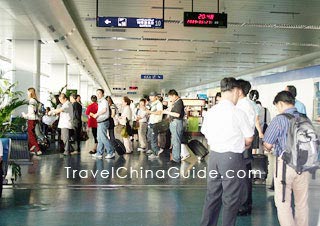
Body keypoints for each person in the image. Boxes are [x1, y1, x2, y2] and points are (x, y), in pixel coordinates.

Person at [200, 77, 253, 226]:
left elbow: (204, 132)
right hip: (232, 158)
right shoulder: (238, 113)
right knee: (231, 198)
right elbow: (249, 139)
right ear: (236, 91)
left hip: (214, 157)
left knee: (212, 195)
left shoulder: (210, 112)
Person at [263, 91, 309, 226]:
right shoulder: (305, 118)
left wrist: (267, 147)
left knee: (283, 203)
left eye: (277, 105)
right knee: (301, 203)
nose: (277, 109)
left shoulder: (279, 119)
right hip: (304, 164)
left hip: (285, 166)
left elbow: (268, 143)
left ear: (281, 103)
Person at [235, 79, 256, 216]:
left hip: (243, 144)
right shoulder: (247, 104)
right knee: (244, 175)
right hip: (244, 144)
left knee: (242, 175)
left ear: (240, 91)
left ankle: (243, 205)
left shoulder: (242, 106)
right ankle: (246, 202)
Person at [163, 89, 185, 164]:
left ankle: (176, 159)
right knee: (174, 141)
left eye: (170, 97)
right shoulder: (176, 102)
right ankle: (175, 157)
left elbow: (177, 114)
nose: (170, 99)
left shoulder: (179, 102)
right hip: (174, 123)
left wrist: (167, 112)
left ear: (174, 95)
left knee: (176, 141)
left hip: (177, 123)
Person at [91, 89, 114, 159]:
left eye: (99, 93)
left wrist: (96, 115)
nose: (98, 94)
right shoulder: (100, 102)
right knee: (99, 138)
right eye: (97, 93)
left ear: (103, 94)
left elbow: (104, 110)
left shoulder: (104, 101)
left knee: (103, 138)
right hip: (100, 122)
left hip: (103, 122)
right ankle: (99, 153)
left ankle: (111, 152)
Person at [21, 87, 42, 156]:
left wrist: (24, 115)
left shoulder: (31, 101)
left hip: (31, 119)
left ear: (30, 93)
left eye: (27, 92)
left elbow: (31, 112)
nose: (27, 93)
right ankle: (32, 149)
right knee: (31, 134)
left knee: (30, 134)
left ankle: (38, 150)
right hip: (34, 119)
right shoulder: (35, 100)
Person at [146, 92, 163, 160]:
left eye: (152, 96)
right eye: (150, 96)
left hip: (155, 123)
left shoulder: (159, 103)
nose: (150, 97)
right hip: (151, 123)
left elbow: (159, 112)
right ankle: (154, 150)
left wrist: (150, 112)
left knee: (153, 138)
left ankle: (156, 152)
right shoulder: (153, 104)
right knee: (149, 137)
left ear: (156, 97)